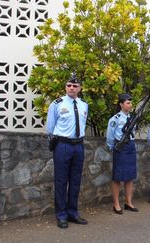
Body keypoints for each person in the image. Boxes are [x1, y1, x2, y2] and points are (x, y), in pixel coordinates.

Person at [46, 75, 88, 229]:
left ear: (80, 88)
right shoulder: (57, 104)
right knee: (61, 181)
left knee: (75, 180)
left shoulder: (84, 104)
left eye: (75, 86)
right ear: (65, 87)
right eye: (69, 85)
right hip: (63, 145)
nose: (72, 88)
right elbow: (50, 128)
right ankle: (61, 215)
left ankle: (73, 213)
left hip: (79, 146)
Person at [106, 93, 139, 215]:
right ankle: (116, 204)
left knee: (130, 176)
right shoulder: (115, 119)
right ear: (121, 104)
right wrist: (113, 147)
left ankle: (128, 202)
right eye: (128, 103)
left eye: (131, 103)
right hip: (120, 148)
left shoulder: (132, 118)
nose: (130, 105)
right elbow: (110, 136)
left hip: (130, 146)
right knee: (117, 177)